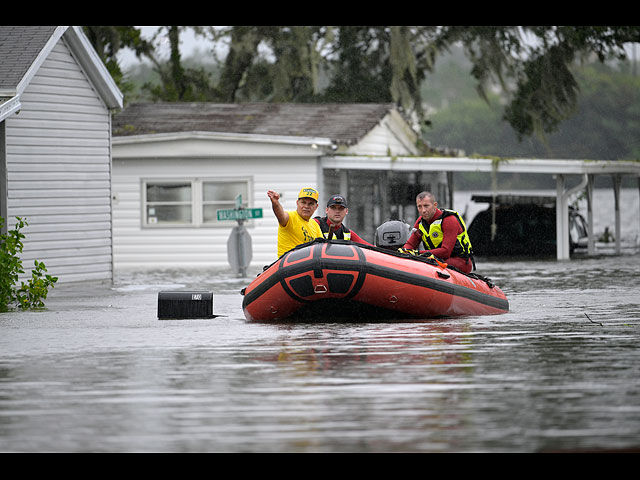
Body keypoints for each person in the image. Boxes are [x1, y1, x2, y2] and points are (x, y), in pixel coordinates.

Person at [402, 191, 475, 273]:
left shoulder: (449, 220)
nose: (423, 210)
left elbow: (446, 252)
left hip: (460, 261)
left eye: (426, 206)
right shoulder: (420, 222)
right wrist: (404, 251)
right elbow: (411, 244)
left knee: (427, 263)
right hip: (434, 258)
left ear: (435, 205)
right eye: (419, 207)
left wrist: (418, 254)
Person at [268, 187, 324, 257]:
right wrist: (275, 202)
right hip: (289, 264)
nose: (306, 206)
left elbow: (321, 247)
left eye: (311, 204)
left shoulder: (315, 225)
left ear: (316, 207)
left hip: (307, 264)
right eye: (303, 202)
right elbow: (280, 214)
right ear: (297, 203)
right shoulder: (290, 217)